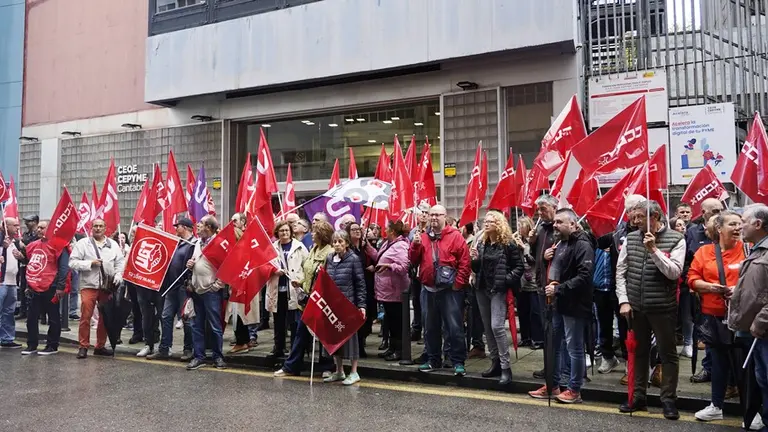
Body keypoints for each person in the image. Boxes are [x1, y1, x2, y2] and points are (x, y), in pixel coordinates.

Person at [616, 200, 685, 420]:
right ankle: (638, 397)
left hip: (663, 308)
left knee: (668, 354)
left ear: (654, 216)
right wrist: (623, 300)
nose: (635, 222)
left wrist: (654, 250)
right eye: (633, 217)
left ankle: (668, 400)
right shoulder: (632, 238)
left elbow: (674, 273)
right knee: (639, 352)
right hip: (636, 307)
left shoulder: (676, 239)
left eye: (639, 217)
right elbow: (621, 271)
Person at [528, 209, 594, 403]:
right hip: (556, 304)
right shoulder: (560, 243)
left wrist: (559, 289)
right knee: (553, 346)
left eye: (559, 222)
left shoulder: (583, 244)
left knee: (574, 348)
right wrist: (545, 258)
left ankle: (574, 389)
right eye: (555, 222)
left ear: (573, 224)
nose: (555, 225)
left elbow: (584, 276)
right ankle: (552, 385)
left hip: (574, 304)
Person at [688, 211, 746, 421]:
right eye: (733, 224)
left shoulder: (748, 250)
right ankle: (716, 406)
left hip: (742, 318)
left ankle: (752, 411)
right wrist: (710, 287)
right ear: (719, 229)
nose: (738, 228)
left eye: (740, 224)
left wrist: (736, 289)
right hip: (713, 316)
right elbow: (692, 278)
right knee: (718, 363)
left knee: (745, 366)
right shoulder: (704, 252)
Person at [409, 205, 471, 376]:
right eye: (431, 215)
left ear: (445, 216)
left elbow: (465, 262)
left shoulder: (456, 237)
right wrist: (414, 246)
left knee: (454, 327)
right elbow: (413, 261)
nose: (434, 217)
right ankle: (432, 359)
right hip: (428, 289)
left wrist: (458, 284)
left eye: (437, 214)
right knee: (430, 328)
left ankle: (458, 361)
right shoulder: (422, 237)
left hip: (450, 290)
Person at [274, 221, 334, 377]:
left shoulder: (330, 253)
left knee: (322, 334)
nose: (311, 234)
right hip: (307, 299)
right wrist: (300, 282)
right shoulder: (313, 249)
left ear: (321, 235)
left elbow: (328, 278)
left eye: (314, 232)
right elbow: (307, 271)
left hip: (320, 300)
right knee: (301, 333)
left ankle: (327, 366)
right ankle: (292, 366)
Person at [595, 194, 646, 379]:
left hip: (638, 288)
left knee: (627, 327)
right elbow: (598, 242)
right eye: (630, 209)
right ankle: (608, 356)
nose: (634, 213)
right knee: (606, 324)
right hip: (614, 287)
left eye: (637, 208)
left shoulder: (648, 230)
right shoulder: (617, 232)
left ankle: (630, 361)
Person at [470, 211, 524, 385]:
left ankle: (506, 366)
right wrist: (475, 260)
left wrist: (505, 281)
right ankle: (495, 363)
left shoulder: (508, 244)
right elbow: (477, 268)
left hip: (498, 290)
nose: (486, 223)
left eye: (491, 221)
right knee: (488, 327)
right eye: (485, 221)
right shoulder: (482, 243)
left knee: (497, 327)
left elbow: (519, 267)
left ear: (499, 224)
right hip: (482, 288)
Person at [729, 204, 768, 430]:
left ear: (758, 224)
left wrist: (760, 322)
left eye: (743, 220)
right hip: (756, 331)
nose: (740, 225)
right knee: (761, 378)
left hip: (762, 330)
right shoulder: (757, 250)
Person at [68, 218, 125, 359]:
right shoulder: (83, 244)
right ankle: (83, 346)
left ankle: (100, 346)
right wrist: (90, 263)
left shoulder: (113, 245)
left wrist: (119, 275)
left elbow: (120, 262)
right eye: (95, 226)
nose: (98, 228)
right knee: (86, 317)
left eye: (100, 226)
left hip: (107, 287)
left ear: (105, 228)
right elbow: (72, 262)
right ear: (91, 228)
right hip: (89, 285)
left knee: (105, 318)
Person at [147, 218, 197, 360]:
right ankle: (164, 349)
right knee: (166, 317)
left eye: (178, 226)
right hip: (171, 287)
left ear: (186, 228)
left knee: (186, 318)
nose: (175, 229)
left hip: (183, 287)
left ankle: (188, 349)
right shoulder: (178, 243)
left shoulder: (193, 245)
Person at [686, 198, 724, 383]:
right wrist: (694, 284)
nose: (718, 213)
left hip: (726, 298)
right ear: (703, 213)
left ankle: (729, 378)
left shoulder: (729, 233)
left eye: (720, 210)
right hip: (702, 295)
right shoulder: (693, 232)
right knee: (707, 335)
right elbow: (687, 262)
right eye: (714, 210)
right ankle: (709, 369)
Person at [322, 230, 367, 385]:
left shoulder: (353, 259)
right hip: (332, 305)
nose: (337, 245)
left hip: (348, 305)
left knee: (351, 339)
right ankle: (339, 371)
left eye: (341, 242)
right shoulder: (329, 258)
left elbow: (360, 284)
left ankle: (354, 372)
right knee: (335, 338)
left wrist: (361, 305)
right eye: (335, 242)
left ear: (347, 243)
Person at [21, 219, 69, 355]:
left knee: (53, 317)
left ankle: (52, 345)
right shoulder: (32, 245)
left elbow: (64, 268)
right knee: (31, 318)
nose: (39, 230)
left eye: (42, 228)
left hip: (52, 286)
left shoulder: (59, 245)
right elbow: (30, 265)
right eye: (39, 228)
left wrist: (60, 286)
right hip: (34, 286)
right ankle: (31, 345)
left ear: (50, 229)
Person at [186, 215, 226, 370]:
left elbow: (227, 266)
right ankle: (199, 356)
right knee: (196, 325)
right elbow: (197, 261)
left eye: (201, 223)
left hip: (211, 291)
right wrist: (190, 265)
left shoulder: (219, 243)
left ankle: (218, 357)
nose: (197, 225)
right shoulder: (197, 243)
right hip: (197, 290)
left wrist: (217, 285)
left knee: (215, 325)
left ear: (209, 227)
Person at [264, 220, 309, 359]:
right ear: (277, 232)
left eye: (287, 231)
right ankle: (278, 348)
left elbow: (306, 266)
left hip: (293, 289)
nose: (284, 233)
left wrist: (301, 281)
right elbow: (264, 266)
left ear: (291, 232)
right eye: (282, 231)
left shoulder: (300, 247)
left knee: (294, 322)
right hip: (277, 289)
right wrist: (274, 271)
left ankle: (295, 350)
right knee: (278, 322)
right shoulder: (271, 247)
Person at [372, 220, 410, 361]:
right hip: (387, 291)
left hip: (395, 291)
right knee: (391, 321)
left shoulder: (400, 246)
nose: (384, 230)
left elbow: (403, 267)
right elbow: (378, 258)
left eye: (386, 228)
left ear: (392, 231)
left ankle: (399, 350)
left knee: (397, 323)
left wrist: (389, 266)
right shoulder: (388, 244)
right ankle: (392, 347)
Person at [530, 194, 558, 379]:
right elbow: (535, 256)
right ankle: (548, 366)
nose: (540, 213)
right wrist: (532, 243)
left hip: (555, 286)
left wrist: (550, 256)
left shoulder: (559, 229)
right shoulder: (540, 228)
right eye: (538, 209)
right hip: (541, 283)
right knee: (546, 328)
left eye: (543, 209)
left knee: (555, 329)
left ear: (554, 208)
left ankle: (557, 368)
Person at [346, 221, 377, 358]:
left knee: (367, 316)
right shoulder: (348, 249)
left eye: (358, 229)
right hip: (354, 287)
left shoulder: (365, 248)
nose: (357, 231)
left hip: (368, 286)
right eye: (353, 229)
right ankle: (356, 347)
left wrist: (373, 267)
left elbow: (376, 258)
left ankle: (362, 341)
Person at [514, 216, 543, 350]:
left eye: (521, 226)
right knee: (522, 311)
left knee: (535, 312)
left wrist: (524, 247)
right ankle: (525, 337)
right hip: (522, 281)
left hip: (534, 281)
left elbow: (533, 260)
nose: (519, 228)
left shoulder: (534, 241)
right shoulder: (517, 240)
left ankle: (538, 339)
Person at [464, 222, 486, 360]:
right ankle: (477, 345)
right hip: (476, 281)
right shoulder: (479, 236)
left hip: (491, 285)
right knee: (475, 316)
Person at [408, 204, 429, 341]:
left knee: (426, 302)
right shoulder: (413, 231)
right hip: (415, 272)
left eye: (426, 212)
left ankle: (427, 329)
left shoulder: (431, 231)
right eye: (422, 212)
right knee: (416, 300)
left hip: (426, 272)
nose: (424, 215)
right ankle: (416, 328)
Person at [0, 218, 22, 348]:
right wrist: (3, 247)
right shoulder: (2, 240)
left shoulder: (16, 242)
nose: (17, 228)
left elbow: (23, 260)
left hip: (12, 282)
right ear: (5, 226)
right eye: (14, 225)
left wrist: (21, 256)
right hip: (1, 282)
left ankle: (7, 339)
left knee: (8, 312)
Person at [16, 214, 39, 320]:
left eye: (28, 221)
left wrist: (24, 247)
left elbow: (35, 248)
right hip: (24, 264)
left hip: (35, 265)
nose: (26, 223)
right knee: (22, 288)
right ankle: (23, 311)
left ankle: (35, 313)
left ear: (35, 222)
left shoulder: (38, 235)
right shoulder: (25, 234)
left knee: (33, 289)